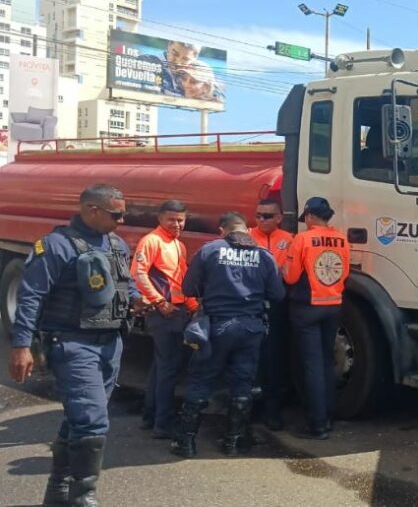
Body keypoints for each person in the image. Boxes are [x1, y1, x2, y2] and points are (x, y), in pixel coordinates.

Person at [7, 184, 143, 507]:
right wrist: (22, 345)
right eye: (116, 214)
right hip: (73, 344)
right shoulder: (56, 246)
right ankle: (84, 497)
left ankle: (58, 492)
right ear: (92, 210)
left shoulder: (117, 244)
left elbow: (126, 282)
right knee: (92, 420)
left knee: (79, 418)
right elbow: (30, 297)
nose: (122, 220)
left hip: (110, 344)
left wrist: (137, 299)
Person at [172, 212, 286, 457]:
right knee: (243, 384)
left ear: (222, 231)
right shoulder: (265, 256)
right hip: (251, 328)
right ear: (246, 229)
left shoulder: (210, 251)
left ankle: (186, 443)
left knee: (201, 380)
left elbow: (188, 288)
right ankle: (232, 443)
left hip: (216, 327)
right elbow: (278, 294)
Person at [282, 197, 351, 439]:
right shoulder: (341, 238)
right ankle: (328, 417)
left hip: (307, 308)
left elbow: (291, 277)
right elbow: (344, 271)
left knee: (311, 365)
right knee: (325, 361)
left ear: (310, 216)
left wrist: (283, 268)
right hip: (333, 304)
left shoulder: (302, 239)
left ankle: (317, 424)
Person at [133, 200, 199, 439]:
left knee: (160, 367)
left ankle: (150, 417)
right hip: (165, 313)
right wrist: (160, 302)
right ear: (160, 218)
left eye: (181, 220)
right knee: (168, 368)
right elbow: (138, 274)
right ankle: (163, 424)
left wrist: (193, 306)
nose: (177, 224)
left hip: (177, 310)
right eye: (172, 219)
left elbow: (180, 280)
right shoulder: (152, 241)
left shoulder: (178, 245)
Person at [249, 198, 293, 431]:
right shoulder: (246, 237)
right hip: (251, 304)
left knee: (275, 358)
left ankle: (272, 411)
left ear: (279, 218)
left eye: (267, 216)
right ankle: (247, 409)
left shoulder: (289, 239)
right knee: (249, 358)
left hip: (277, 304)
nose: (262, 220)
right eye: (258, 215)